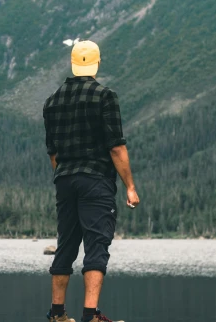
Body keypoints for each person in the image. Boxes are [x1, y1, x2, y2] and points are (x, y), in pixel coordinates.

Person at [42, 40, 140, 322]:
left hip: (64, 179)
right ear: (96, 64)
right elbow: (116, 148)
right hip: (95, 181)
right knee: (97, 246)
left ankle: (57, 315)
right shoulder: (105, 96)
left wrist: (64, 176)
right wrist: (130, 187)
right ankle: (90, 316)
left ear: (73, 65)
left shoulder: (52, 102)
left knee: (66, 245)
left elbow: (54, 154)